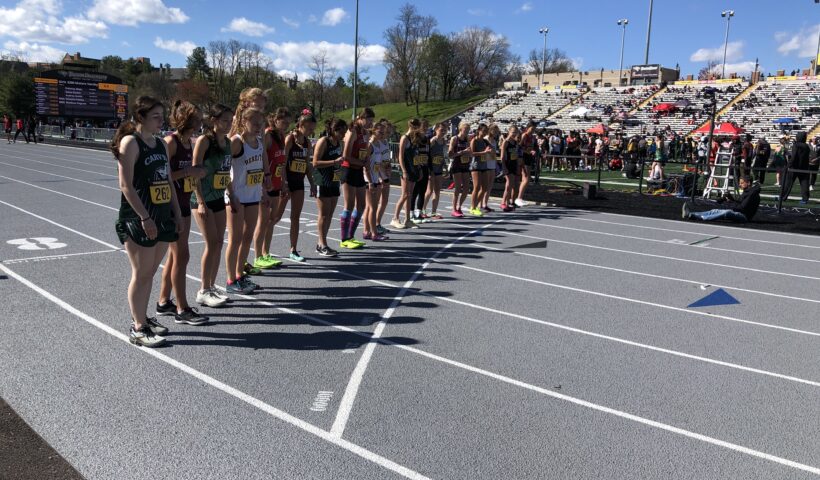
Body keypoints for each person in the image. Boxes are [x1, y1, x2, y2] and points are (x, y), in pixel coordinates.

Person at [112, 96, 181, 347]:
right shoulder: (131, 143)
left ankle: (143, 317)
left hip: (162, 216)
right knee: (141, 273)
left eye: (162, 115)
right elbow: (125, 185)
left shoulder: (161, 144)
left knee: (150, 272)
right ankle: (137, 326)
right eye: (156, 116)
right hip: (138, 218)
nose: (161, 120)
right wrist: (144, 216)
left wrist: (176, 212)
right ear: (140, 117)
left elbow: (168, 181)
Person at [156, 100, 209, 325]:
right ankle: (181, 308)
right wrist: (188, 171)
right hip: (171, 205)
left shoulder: (189, 143)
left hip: (185, 202)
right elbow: (161, 176)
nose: (200, 122)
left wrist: (197, 173)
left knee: (175, 256)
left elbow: (190, 173)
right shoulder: (171, 142)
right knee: (182, 256)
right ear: (186, 120)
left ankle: (163, 301)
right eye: (197, 118)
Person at [191, 104, 233, 308]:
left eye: (231, 121)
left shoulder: (228, 143)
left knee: (218, 243)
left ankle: (211, 286)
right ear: (214, 120)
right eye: (225, 120)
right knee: (211, 243)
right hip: (203, 200)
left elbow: (226, 172)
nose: (228, 124)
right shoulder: (204, 141)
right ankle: (203, 289)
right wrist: (200, 201)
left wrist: (231, 195)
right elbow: (194, 171)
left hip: (218, 198)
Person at [225, 107, 268, 294]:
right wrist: (230, 193)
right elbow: (224, 169)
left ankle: (239, 274)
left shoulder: (259, 142)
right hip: (236, 196)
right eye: (255, 123)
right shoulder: (236, 142)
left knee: (247, 236)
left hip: (252, 196)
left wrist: (264, 190)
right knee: (235, 239)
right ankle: (230, 279)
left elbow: (260, 170)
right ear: (244, 122)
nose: (259, 126)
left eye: (261, 123)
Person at [274, 110, 317, 262]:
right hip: (286, 182)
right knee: (276, 216)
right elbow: (283, 162)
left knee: (295, 217)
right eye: (310, 129)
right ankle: (262, 247)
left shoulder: (307, 142)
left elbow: (306, 165)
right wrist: (283, 182)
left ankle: (293, 249)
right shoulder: (290, 138)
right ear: (302, 125)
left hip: (299, 182)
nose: (312, 132)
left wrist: (312, 183)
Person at [252, 108, 291, 269]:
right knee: (263, 221)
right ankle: (257, 256)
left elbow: (281, 162)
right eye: (284, 122)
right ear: (275, 120)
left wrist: (283, 182)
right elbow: (262, 159)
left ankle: (266, 252)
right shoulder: (267, 135)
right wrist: (263, 183)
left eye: (289, 123)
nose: (286, 125)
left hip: (276, 183)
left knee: (272, 220)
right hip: (265, 184)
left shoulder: (281, 136)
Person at [340, 108, 375, 248]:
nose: (370, 123)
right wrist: (361, 162)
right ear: (361, 118)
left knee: (361, 205)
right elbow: (346, 155)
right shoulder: (353, 131)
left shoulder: (365, 133)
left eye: (372, 121)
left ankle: (351, 236)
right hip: (348, 170)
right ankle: (344, 239)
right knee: (348, 205)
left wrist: (366, 159)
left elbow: (364, 151)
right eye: (368, 120)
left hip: (359, 170)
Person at [312, 118, 345, 256]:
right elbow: (315, 162)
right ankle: (322, 244)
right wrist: (334, 161)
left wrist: (339, 166)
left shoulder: (340, 143)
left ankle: (322, 243)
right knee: (323, 215)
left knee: (330, 214)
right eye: (341, 132)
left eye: (345, 132)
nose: (344, 134)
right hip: (322, 180)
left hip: (334, 180)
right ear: (334, 130)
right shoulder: (323, 141)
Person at [391, 118, 424, 229]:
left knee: (409, 195)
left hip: (413, 168)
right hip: (406, 169)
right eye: (417, 127)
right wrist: (404, 170)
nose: (418, 129)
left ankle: (407, 220)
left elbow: (416, 155)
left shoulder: (415, 138)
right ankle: (395, 218)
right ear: (412, 126)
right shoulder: (404, 138)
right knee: (405, 194)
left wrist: (419, 169)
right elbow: (400, 156)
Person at [683, 176, 760, 222]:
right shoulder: (747, 191)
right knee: (715, 211)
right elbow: (741, 203)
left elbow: (742, 208)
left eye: (742, 183)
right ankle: (691, 214)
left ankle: (699, 217)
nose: (740, 185)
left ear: (749, 183)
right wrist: (731, 199)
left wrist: (730, 202)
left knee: (726, 212)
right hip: (741, 213)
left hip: (745, 217)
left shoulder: (752, 194)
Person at [362, 120, 388, 240]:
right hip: (369, 180)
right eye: (380, 132)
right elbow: (365, 164)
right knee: (372, 207)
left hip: (375, 178)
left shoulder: (378, 145)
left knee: (370, 207)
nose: (382, 134)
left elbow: (378, 164)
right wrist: (370, 181)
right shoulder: (370, 145)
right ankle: (374, 233)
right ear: (374, 131)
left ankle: (366, 231)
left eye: (383, 132)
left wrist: (382, 177)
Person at [423, 122, 448, 220]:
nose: (443, 132)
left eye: (444, 130)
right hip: (431, 169)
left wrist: (445, 167)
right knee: (429, 191)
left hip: (439, 168)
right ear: (436, 130)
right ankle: (422, 210)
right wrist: (429, 168)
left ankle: (433, 212)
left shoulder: (443, 141)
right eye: (441, 130)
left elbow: (442, 155)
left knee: (437, 191)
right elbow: (426, 153)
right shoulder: (433, 140)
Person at [449, 121, 472, 217]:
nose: (467, 131)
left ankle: (459, 207)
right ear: (460, 129)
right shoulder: (455, 139)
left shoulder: (467, 139)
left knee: (466, 188)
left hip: (465, 165)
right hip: (456, 164)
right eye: (465, 129)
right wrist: (462, 152)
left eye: (468, 130)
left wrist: (469, 154)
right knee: (458, 188)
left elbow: (469, 152)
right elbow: (450, 155)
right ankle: (454, 209)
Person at [469, 123, 493, 217]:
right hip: (476, 166)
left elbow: (493, 149)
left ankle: (475, 206)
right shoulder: (474, 140)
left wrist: (491, 151)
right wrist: (484, 152)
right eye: (483, 131)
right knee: (477, 187)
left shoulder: (485, 141)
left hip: (484, 165)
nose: (484, 133)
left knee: (485, 188)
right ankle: (473, 207)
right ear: (479, 130)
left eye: (486, 132)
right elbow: (472, 153)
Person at [374, 119, 393, 235]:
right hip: (379, 174)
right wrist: (383, 176)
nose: (389, 133)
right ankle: (374, 225)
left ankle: (378, 223)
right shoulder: (377, 143)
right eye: (387, 131)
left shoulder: (386, 142)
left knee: (384, 201)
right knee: (375, 202)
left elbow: (386, 158)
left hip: (386, 173)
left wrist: (389, 166)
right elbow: (377, 161)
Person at [781, 131, 811, 204]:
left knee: (788, 183)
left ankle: (783, 197)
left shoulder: (796, 145)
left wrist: (788, 165)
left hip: (794, 167)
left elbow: (794, 157)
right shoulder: (806, 146)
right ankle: (805, 199)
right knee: (804, 184)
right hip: (804, 167)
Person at [500, 125, 521, 212]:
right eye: (512, 132)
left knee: (513, 185)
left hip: (513, 164)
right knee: (508, 185)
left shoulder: (515, 142)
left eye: (516, 132)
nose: (514, 134)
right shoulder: (506, 142)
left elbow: (516, 155)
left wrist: (517, 165)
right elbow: (502, 156)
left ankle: (508, 203)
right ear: (509, 132)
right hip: (507, 164)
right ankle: (503, 202)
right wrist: (504, 167)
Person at [516, 121, 537, 206]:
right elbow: (519, 147)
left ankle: (519, 197)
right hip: (524, 157)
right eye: (532, 129)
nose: (533, 131)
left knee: (526, 179)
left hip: (529, 157)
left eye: (534, 129)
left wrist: (533, 151)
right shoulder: (525, 135)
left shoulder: (532, 137)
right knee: (526, 178)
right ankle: (519, 198)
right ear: (527, 128)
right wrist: (528, 151)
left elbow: (531, 147)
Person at [481, 124, 501, 212]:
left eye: (497, 132)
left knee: (489, 186)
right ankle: (480, 203)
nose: (496, 133)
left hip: (492, 164)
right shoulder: (485, 139)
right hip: (486, 164)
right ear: (490, 130)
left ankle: (485, 203)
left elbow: (494, 153)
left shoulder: (494, 141)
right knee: (484, 187)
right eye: (494, 131)